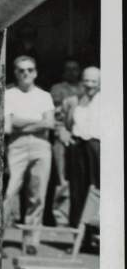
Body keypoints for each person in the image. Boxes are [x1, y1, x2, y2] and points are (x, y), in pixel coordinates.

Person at [3, 55, 55, 254]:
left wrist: (20, 122)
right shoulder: (9, 94)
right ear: (15, 73)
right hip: (17, 146)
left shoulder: (44, 96)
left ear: (36, 72)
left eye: (30, 70)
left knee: (37, 194)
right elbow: (8, 126)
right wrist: (36, 122)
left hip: (41, 146)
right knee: (8, 192)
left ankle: (31, 241)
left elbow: (49, 123)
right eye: (21, 70)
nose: (26, 73)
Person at [58, 66, 100, 237]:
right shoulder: (73, 101)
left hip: (98, 148)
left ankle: (94, 233)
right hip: (78, 148)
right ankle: (78, 236)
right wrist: (64, 133)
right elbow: (61, 123)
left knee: (97, 191)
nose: (89, 85)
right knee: (77, 191)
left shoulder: (109, 101)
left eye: (94, 81)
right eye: (86, 80)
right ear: (82, 81)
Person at [49, 58, 83, 226]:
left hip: (81, 137)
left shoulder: (85, 88)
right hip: (61, 136)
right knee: (61, 177)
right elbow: (56, 115)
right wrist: (61, 132)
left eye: (75, 68)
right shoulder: (58, 88)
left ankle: (77, 216)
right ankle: (60, 214)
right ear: (63, 71)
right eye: (68, 69)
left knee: (80, 177)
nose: (72, 72)